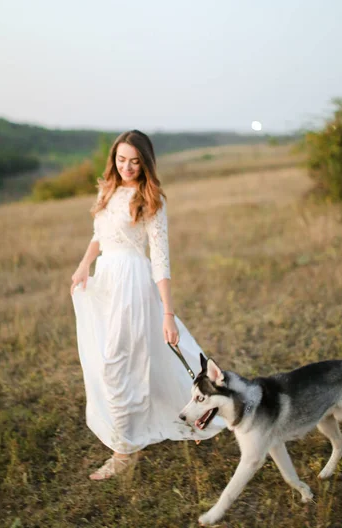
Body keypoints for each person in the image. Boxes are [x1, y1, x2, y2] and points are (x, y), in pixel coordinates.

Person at [70, 130, 225, 480]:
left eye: (135, 161)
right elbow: (99, 234)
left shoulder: (151, 198)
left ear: (145, 163)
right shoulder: (106, 189)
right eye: (121, 159)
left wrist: (167, 312)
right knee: (108, 359)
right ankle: (127, 440)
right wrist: (83, 266)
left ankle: (124, 452)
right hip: (106, 279)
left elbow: (160, 260)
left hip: (132, 282)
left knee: (117, 363)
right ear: (114, 159)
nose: (127, 166)